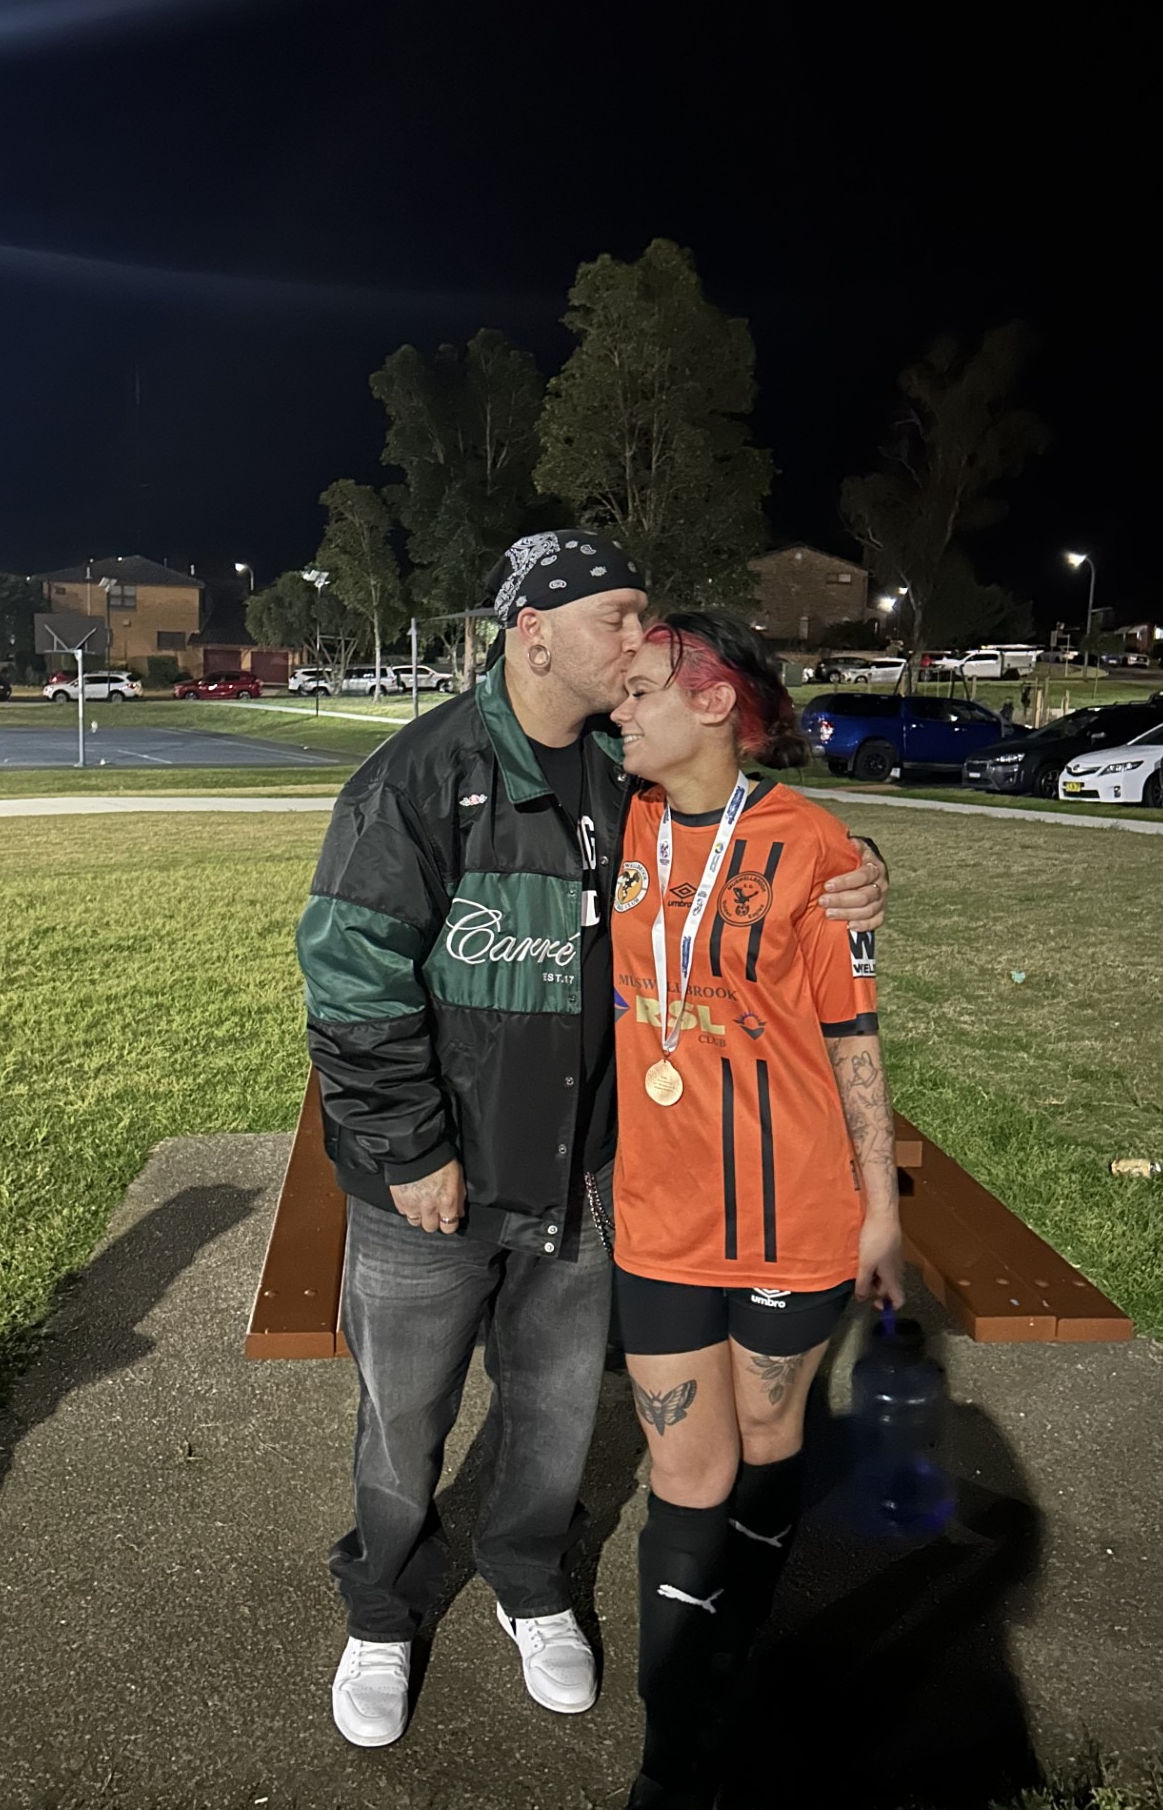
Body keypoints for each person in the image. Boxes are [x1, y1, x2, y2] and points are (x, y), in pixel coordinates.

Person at [295, 532, 889, 1752]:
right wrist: (411, 1149)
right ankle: (383, 1608)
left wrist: (858, 866)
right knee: (403, 1420)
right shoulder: (416, 778)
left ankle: (527, 1579)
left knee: (558, 1406)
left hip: (588, 1169)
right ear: (533, 634)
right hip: (434, 1178)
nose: (639, 641)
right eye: (617, 617)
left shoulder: (629, 776)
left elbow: (746, 830)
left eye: (645, 619)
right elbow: (351, 978)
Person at [605, 613, 906, 1810]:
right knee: (687, 1471)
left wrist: (879, 1208)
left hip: (796, 1214)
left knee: (769, 1444)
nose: (621, 709)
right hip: (660, 1217)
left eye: (642, 689)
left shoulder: (818, 846)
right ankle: (670, 1752)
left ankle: (738, 1650)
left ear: (717, 701)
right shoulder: (615, 818)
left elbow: (853, 1034)